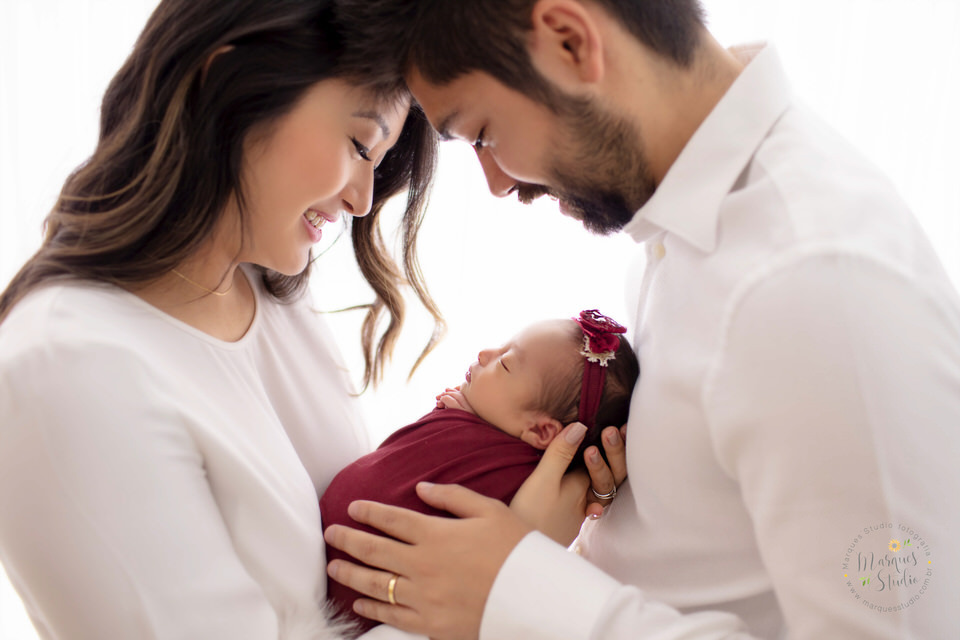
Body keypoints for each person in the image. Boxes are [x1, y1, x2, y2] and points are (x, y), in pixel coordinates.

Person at [322, 1, 960, 638]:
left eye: (483, 133)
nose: (495, 183)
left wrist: (520, 594)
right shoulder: (684, 241)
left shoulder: (814, 289)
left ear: (571, 42)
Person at [0, 0, 455, 637]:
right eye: (358, 144)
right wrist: (491, 600)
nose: (361, 199)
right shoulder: (65, 370)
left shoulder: (271, 293)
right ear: (228, 83)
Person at [322, 310, 639, 633]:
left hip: (382, 610)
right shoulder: (480, 424)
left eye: (505, 363)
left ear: (542, 432)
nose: (485, 354)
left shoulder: (530, 483)